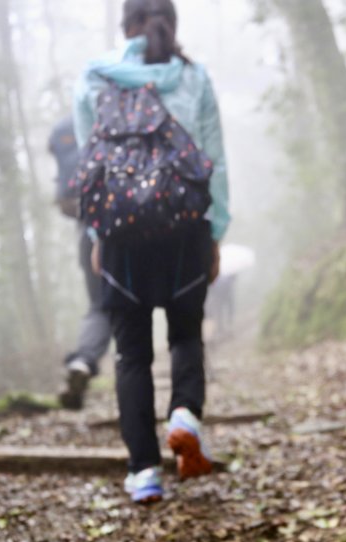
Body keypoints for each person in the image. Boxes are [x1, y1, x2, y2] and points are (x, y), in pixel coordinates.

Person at [74, 0, 230, 503]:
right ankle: (185, 413)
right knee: (186, 334)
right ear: (172, 23)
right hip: (185, 229)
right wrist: (215, 231)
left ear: (125, 26)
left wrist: (98, 238)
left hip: (121, 236)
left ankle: (144, 472)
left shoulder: (96, 78)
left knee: (131, 355)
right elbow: (214, 160)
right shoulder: (194, 78)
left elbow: (89, 169)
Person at [48, 118, 113, 410]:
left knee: (100, 307)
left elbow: (65, 200)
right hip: (138, 227)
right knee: (135, 311)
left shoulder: (71, 128)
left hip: (90, 232)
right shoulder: (130, 117)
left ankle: (83, 360)